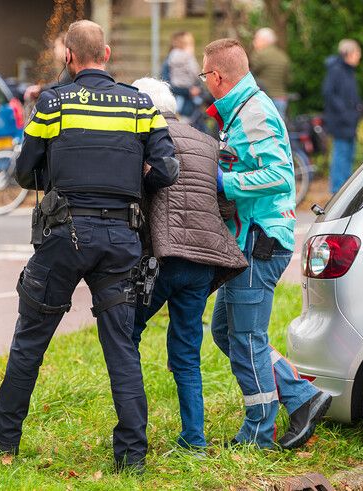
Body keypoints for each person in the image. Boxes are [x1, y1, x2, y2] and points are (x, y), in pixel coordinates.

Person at [0, 20, 179, 473]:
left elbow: (24, 172)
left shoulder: (54, 102)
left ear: (69, 56)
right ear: (105, 54)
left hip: (63, 237)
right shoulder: (140, 104)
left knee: (30, 337)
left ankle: (5, 435)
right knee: (121, 346)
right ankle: (132, 456)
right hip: (121, 239)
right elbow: (168, 170)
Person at [201, 38, 332, 450]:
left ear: (217, 77)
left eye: (205, 75)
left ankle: (259, 432)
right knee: (226, 332)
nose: (204, 82)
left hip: (260, 242)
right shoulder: (242, 109)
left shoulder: (253, 112)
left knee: (246, 339)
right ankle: (303, 397)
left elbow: (279, 176)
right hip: (252, 240)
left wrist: (227, 182)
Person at [130, 77, 248, 450]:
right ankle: (194, 438)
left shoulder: (142, 141)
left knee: (125, 335)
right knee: (186, 352)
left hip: (162, 259)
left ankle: (133, 434)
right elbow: (227, 204)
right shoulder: (207, 141)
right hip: (203, 262)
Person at [322, 39, 363, 194]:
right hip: (341, 122)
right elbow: (329, 93)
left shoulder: (349, 71)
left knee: (348, 156)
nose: (359, 56)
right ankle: (337, 192)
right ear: (348, 53)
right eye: (357, 53)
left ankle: (345, 191)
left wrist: (357, 109)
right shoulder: (336, 70)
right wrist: (345, 113)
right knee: (341, 157)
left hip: (350, 121)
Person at [250, 27, 290, 119]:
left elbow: (250, 75)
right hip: (281, 98)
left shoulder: (259, 55)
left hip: (264, 99)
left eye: (256, 39)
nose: (254, 42)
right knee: (279, 129)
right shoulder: (282, 56)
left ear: (264, 40)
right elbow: (288, 79)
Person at [168, 31, 201, 120]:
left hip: (177, 86)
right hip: (188, 89)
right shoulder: (188, 56)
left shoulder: (172, 56)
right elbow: (195, 71)